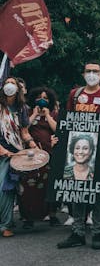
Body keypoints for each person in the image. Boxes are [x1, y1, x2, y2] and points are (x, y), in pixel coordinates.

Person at [57, 62, 100, 250]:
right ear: (83, 74)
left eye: (95, 71)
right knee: (76, 191)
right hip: (77, 148)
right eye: (88, 71)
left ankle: (97, 233)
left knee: (97, 192)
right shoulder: (75, 94)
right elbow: (68, 119)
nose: (92, 74)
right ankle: (78, 233)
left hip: (98, 150)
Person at [0, 77, 38, 237]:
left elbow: (24, 132)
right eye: (7, 82)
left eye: (13, 83)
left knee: (7, 189)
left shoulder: (21, 108)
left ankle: (6, 225)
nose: (10, 85)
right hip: (3, 152)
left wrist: (33, 145)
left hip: (15, 154)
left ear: (18, 89)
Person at [25, 86, 60, 228]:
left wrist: (48, 116)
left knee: (50, 185)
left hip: (49, 153)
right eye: (39, 97)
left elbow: (57, 129)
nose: (42, 100)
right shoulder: (27, 112)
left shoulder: (53, 113)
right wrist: (34, 114)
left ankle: (52, 215)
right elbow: (23, 128)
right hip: (31, 154)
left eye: (45, 98)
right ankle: (28, 217)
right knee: (30, 185)